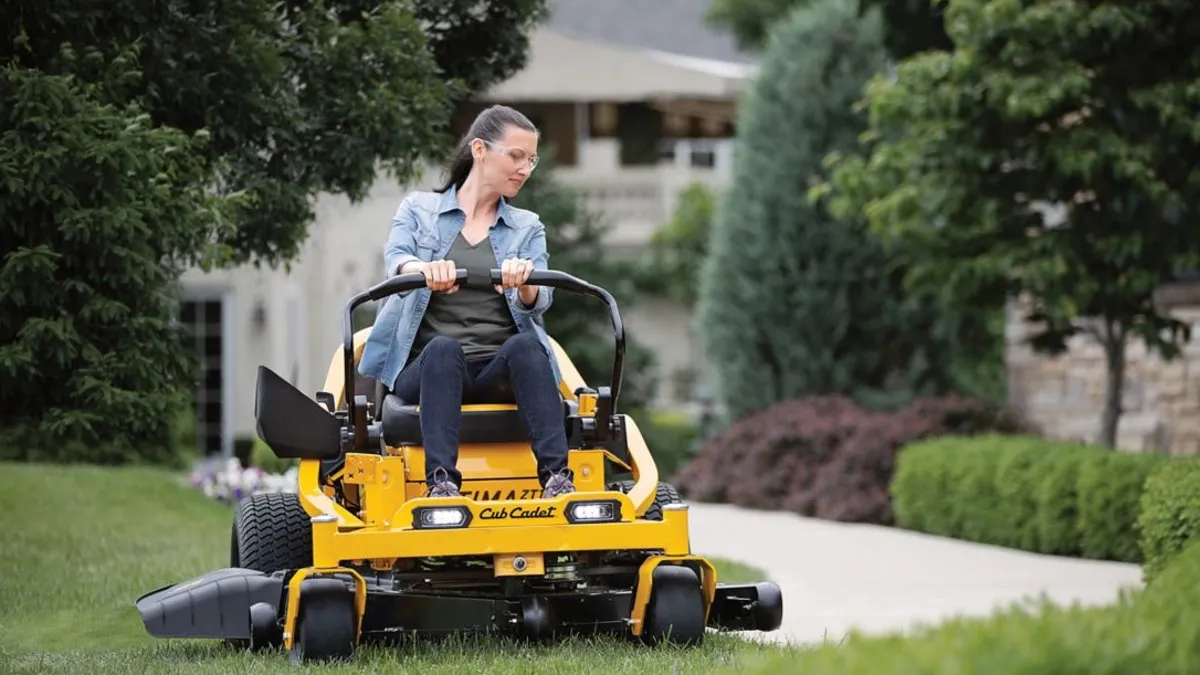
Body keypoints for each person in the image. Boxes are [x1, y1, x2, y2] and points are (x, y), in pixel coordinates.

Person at [358, 105, 576, 500]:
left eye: (531, 160)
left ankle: (558, 481)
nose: (525, 169)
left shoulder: (528, 226)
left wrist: (525, 283)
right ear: (479, 149)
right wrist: (421, 269)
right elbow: (397, 260)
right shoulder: (418, 210)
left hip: (498, 370)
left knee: (528, 346)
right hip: (430, 369)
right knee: (443, 349)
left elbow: (540, 299)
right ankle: (441, 484)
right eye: (516, 156)